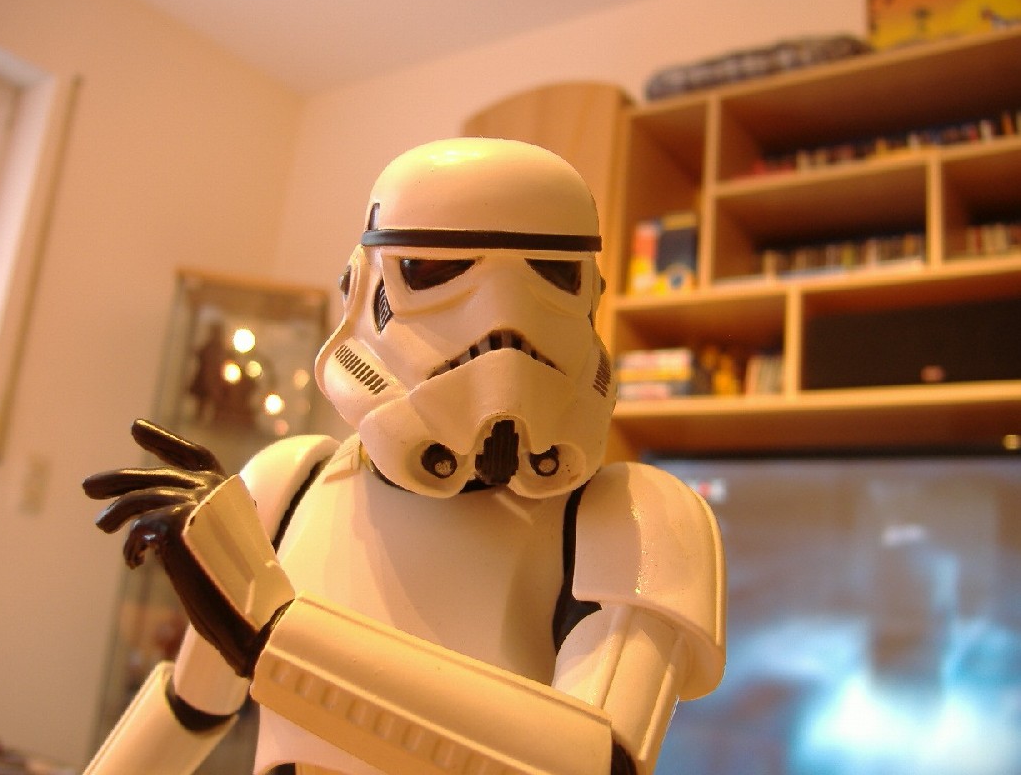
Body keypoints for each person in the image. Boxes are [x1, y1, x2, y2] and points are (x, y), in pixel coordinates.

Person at [83, 138, 725, 775]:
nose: (502, 328)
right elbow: (190, 709)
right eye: (436, 271)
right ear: (362, 288)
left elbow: (599, 763)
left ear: (590, 295)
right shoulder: (290, 484)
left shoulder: (634, 518)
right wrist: (260, 633)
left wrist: (275, 636)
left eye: (552, 275)